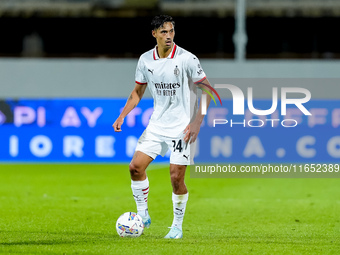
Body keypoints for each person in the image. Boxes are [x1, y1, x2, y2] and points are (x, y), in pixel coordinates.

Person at [112, 15, 212, 239]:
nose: (169, 36)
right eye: (164, 32)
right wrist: (122, 116)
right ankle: (142, 214)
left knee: (176, 178)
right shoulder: (146, 60)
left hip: (181, 127)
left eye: (171, 31)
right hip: (157, 125)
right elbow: (137, 92)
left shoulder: (187, 58)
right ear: (154, 34)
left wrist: (196, 122)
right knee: (135, 168)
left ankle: (176, 226)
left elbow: (208, 91)